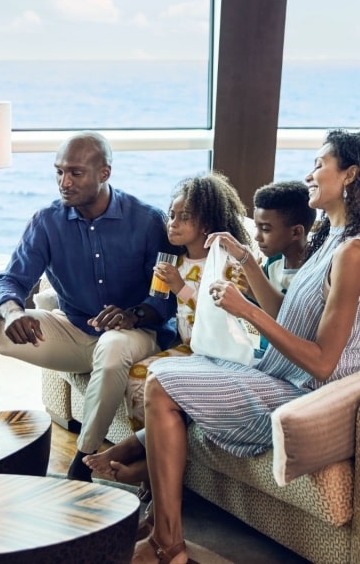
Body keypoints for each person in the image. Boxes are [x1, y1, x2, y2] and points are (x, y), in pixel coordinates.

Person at [134, 130, 360, 564]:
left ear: (349, 175)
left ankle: (168, 542)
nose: (309, 174)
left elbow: (324, 361)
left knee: (161, 386)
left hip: (309, 392)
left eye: (318, 165)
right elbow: (289, 313)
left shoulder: (356, 253)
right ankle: (163, 528)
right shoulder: (332, 237)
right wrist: (247, 261)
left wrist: (245, 311)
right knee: (167, 377)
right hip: (280, 374)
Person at [0, 131, 177, 481]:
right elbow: (9, 281)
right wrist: (13, 312)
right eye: (59, 172)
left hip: (135, 334)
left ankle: (83, 460)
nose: (64, 182)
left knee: (114, 344)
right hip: (74, 330)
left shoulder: (147, 221)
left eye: (75, 173)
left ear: (104, 173)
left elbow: (166, 299)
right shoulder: (47, 221)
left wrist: (133, 314)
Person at [84, 171, 251, 486]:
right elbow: (158, 304)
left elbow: (228, 316)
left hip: (219, 351)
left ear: (206, 223)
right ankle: (151, 457)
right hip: (190, 347)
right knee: (138, 375)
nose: (172, 223)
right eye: (171, 215)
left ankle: (148, 467)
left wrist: (181, 288)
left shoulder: (227, 262)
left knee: (154, 377)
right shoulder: (175, 260)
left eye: (183, 217)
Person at [252, 179, 316, 355]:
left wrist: (248, 264)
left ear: (296, 232)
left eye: (265, 229)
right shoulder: (273, 262)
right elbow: (262, 305)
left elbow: (288, 317)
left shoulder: (314, 271)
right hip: (260, 349)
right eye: (256, 227)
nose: (257, 237)